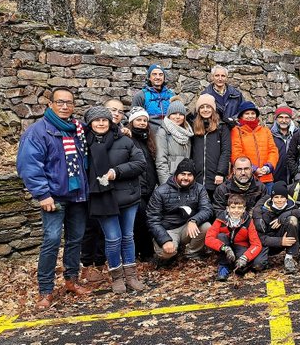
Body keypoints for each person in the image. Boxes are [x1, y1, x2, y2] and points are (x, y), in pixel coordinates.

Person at [17, 88, 92, 308]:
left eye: (69, 102)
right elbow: (29, 166)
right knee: (51, 242)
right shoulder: (38, 131)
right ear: (50, 104)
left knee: (75, 239)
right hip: (54, 198)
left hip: (77, 195)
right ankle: (46, 290)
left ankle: (71, 280)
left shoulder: (77, 129)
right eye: (60, 102)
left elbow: (101, 129)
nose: (65, 106)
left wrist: (122, 130)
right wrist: (42, 194)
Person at [83, 107, 148, 294]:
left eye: (104, 119)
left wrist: (117, 172)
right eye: (97, 120)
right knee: (113, 239)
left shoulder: (124, 140)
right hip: (101, 198)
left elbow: (140, 163)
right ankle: (117, 277)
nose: (101, 123)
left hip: (127, 196)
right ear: (90, 123)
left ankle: (131, 276)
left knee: (127, 237)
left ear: (110, 121)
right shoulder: (83, 143)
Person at [146, 159, 214, 265]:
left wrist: (194, 220)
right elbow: (152, 219)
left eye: (189, 175)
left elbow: (207, 209)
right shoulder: (161, 191)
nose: (186, 178)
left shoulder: (199, 189)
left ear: (194, 176)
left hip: (187, 227)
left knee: (206, 226)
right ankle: (168, 254)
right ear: (176, 174)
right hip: (168, 230)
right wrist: (165, 240)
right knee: (167, 253)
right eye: (182, 174)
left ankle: (191, 253)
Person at [206, 194, 263, 281]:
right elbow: (208, 238)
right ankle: (223, 268)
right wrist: (224, 247)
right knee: (221, 236)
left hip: (240, 246)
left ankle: (236, 266)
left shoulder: (248, 222)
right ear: (228, 209)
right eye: (233, 207)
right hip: (224, 246)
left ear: (244, 209)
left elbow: (256, 244)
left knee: (241, 269)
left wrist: (245, 257)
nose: (236, 211)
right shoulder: (220, 220)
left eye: (239, 208)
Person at [127, 107, 159, 260]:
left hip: (149, 188)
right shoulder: (128, 139)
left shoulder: (148, 140)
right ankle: (138, 254)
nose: (142, 123)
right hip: (135, 188)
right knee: (138, 222)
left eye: (145, 120)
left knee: (147, 220)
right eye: (138, 120)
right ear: (132, 121)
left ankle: (146, 253)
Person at [191, 94, 231, 201]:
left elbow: (226, 151)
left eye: (208, 107)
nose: (205, 110)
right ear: (198, 110)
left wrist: (220, 173)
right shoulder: (193, 127)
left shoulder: (222, 127)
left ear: (213, 109)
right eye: (202, 107)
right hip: (197, 178)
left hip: (215, 177)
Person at [253, 183, 300, 273]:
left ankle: (289, 258)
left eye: (282, 197)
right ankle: (264, 260)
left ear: (286, 198)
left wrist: (283, 218)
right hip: (267, 243)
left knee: (292, 220)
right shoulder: (263, 211)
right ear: (272, 198)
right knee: (258, 265)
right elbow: (260, 237)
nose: (279, 200)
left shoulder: (292, 208)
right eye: (276, 197)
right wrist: (280, 241)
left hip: (286, 240)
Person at [231, 101, 279, 191]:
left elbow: (273, 150)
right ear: (241, 116)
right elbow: (236, 153)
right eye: (247, 113)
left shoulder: (265, 131)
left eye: (253, 113)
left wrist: (268, 167)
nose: (250, 116)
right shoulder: (236, 131)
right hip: (245, 177)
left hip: (266, 178)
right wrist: (253, 169)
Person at [154, 99, 193, 184]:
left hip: (184, 179)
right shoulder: (163, 132)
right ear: (169, 115)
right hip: (170, 179)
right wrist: (166, 183)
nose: (177, 117)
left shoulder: (187, 133)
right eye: (174, 113)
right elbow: (161, 161)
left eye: (181, 114)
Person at [270, 106, 297, 183]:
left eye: (287, 118)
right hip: (276, 176)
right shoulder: (270, 135)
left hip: (293, 178)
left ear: (290, 119)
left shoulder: (296, 134)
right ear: (276, 119)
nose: (284, 120)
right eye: (281, 117)